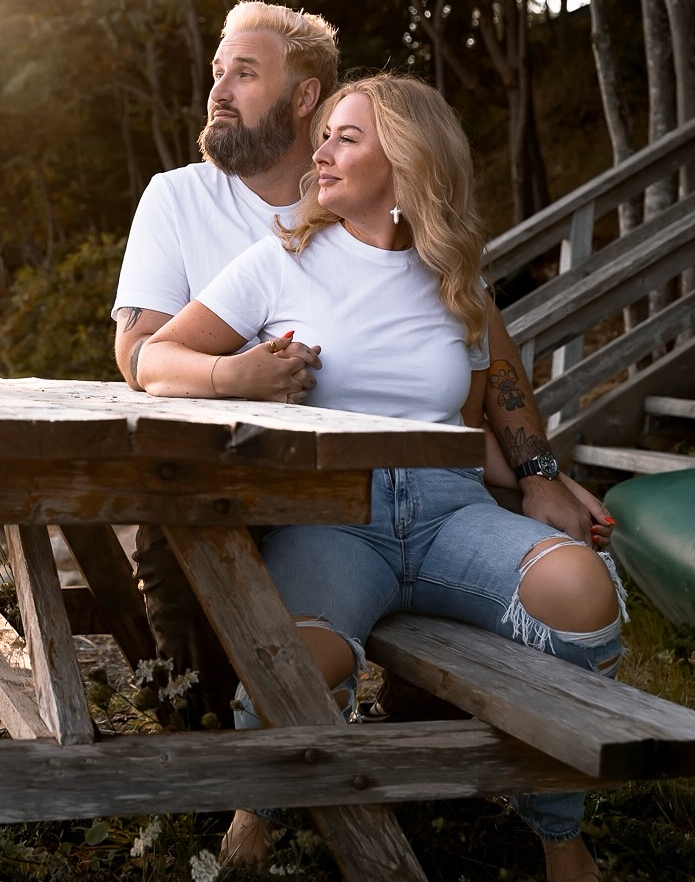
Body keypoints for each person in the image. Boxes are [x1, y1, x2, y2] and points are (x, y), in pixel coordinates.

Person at [136, 73, 625, 882]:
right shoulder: (280, 261)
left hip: (450, 513)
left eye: (345, 137)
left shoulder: (456, 277)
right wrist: (235, 376)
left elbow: (478, 414)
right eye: (324, 135)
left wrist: (543, 478)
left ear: (405, 159)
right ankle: (258, 803)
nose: (320, 152)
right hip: (333, 518)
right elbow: (154, 359)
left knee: (582, 589)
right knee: (299, 665)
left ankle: (559, 833)